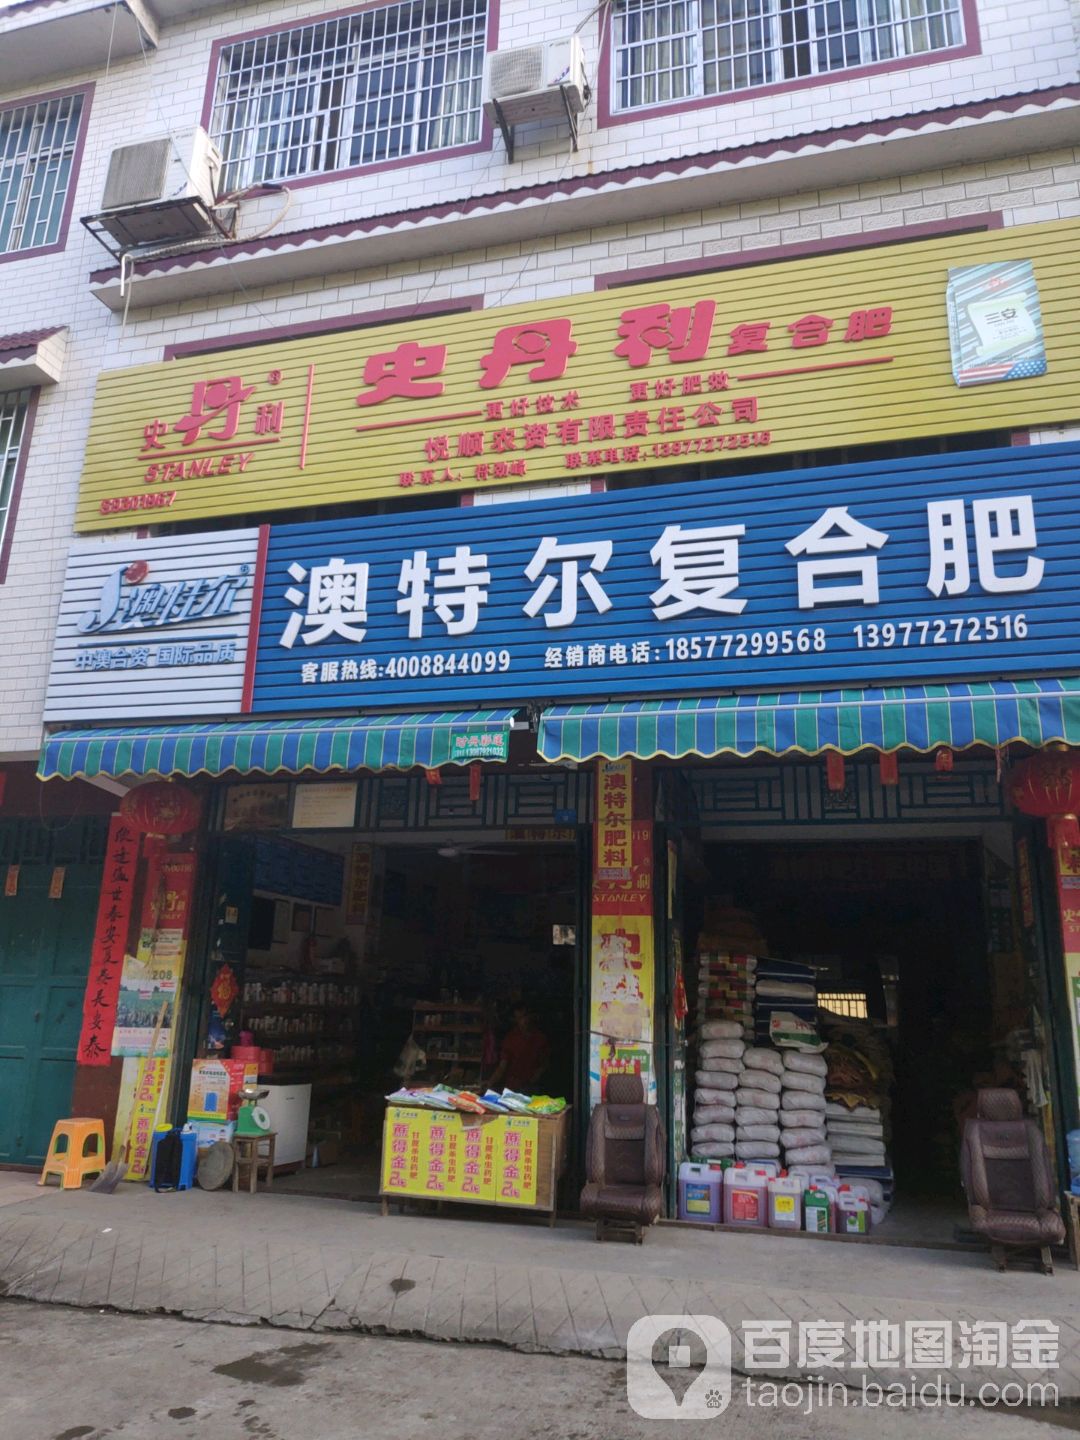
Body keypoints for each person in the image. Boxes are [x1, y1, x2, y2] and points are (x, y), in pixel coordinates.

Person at [488, 1004, 550, 1095]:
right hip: (512, 1087)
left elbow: (544, 1063)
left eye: (525, 1015)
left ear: (530, 1016)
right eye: (520, 1018)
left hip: (531, 1087)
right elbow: (502, 1066)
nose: (524, 1020)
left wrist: (534, 1078)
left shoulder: (540, 1038)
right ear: (515, 1020)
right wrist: (490, 1083)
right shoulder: (510, 1038)